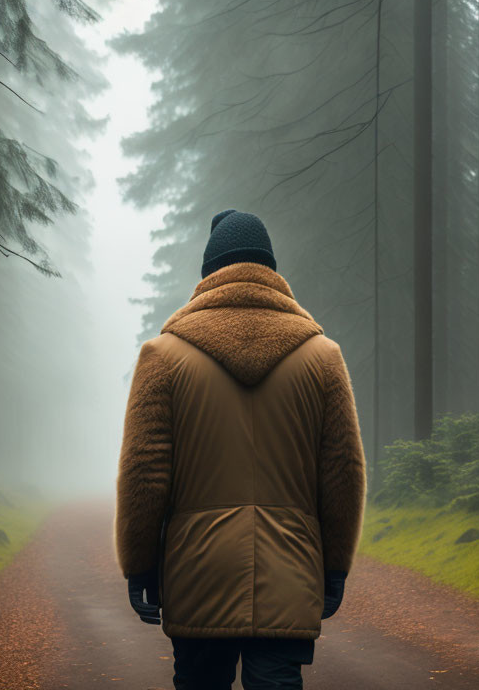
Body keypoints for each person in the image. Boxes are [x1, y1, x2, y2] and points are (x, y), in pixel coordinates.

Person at [114, 209, 367, 690]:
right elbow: (343, 473)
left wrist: (139, 563)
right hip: (290, 570)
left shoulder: (163, 357)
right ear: (272, 272)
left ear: (209, 274)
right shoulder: (322, 358)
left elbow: (144, 473)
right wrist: (335, 565)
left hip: (197, 572)